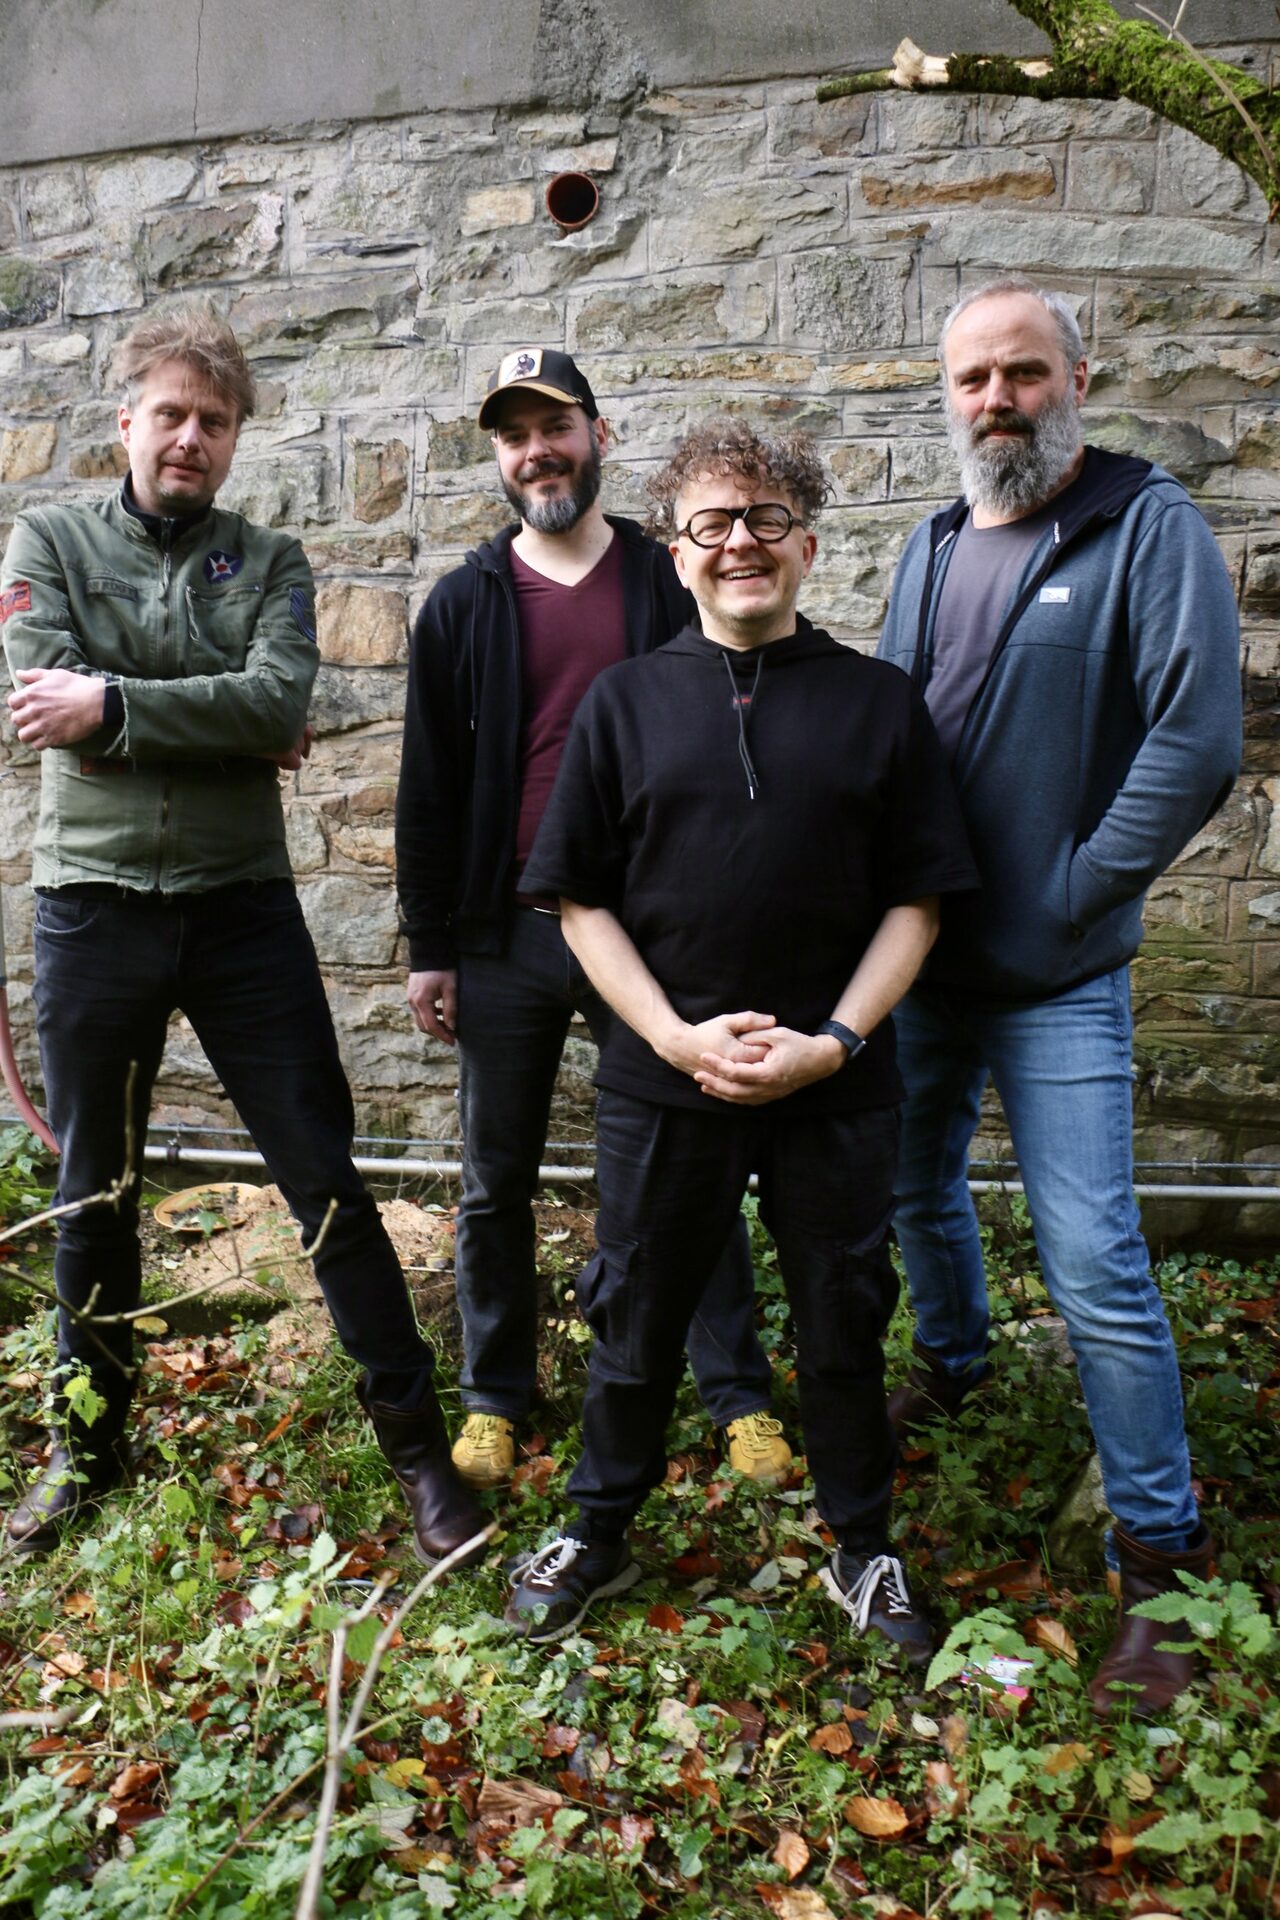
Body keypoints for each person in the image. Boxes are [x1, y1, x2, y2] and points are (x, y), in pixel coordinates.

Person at [1, 300, 485, 1569]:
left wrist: (112, 703)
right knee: (95, 1191)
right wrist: (213, 721)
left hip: (241, 915)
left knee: (322, 1174)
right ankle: (85, 1451)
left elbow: (276, 702)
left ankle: (419, 1454)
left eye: (213, 422)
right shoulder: (48, 541)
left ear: (232, 440)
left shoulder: (269, 562)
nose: (190, 439)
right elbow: (43, 704)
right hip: (93, 907)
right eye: (170, 414)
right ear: (126, 422)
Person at [502, 421, 977, 1648]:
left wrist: (834, 1041)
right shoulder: (622, 704)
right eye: (711, 523)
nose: (738, 543)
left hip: (834, 1085)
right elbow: (577, 901)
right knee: (634, 1315)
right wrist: (671, 1038)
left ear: (806, 545)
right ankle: (598, 1529)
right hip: (663, 1081)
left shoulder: (879, 705)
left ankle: (861, 1548)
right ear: (677, 554)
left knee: (842, 1317)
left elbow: (917, 904)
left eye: (765, 519)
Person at [877, 276, 1242, 1715]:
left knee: (1092, 1257)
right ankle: (955, 1363)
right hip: (920, 964)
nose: (996, 401)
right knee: (913, 1189)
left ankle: (1162, 1558)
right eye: (972, 378)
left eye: (1022, 373)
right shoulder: (929, 544)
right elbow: (889, 734)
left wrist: (1078, 887)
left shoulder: (1146, 525)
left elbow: (1196, 737)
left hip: (1058, 979)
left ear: (1077, 379)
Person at [395, 350, 789, 1492]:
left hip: (649, 931)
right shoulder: (464, 604)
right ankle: (493, 1397)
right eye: (514, 436)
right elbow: (428, 788)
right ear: (499, 457)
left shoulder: (669, 582)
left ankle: (737, 1396)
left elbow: (735, 732)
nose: (537, 452)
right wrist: (431, 946)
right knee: (494, 1179)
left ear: (597, 436)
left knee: (691, 1160)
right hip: (507, 931)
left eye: (555, 427)